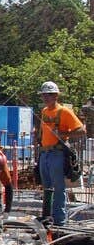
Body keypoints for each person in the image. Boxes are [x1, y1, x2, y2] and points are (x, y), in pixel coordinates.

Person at [36, 80, 86, 228]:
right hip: (45, 153)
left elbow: (82, 131)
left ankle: (59, 221)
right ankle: (47, 217)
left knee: (58, 187)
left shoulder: (64, 112)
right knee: (47, 187)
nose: (46, 98)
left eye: (49, 95)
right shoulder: (44, 111)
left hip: (57, 153)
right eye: (44, 95)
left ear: (56, 96)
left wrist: (63, 133)